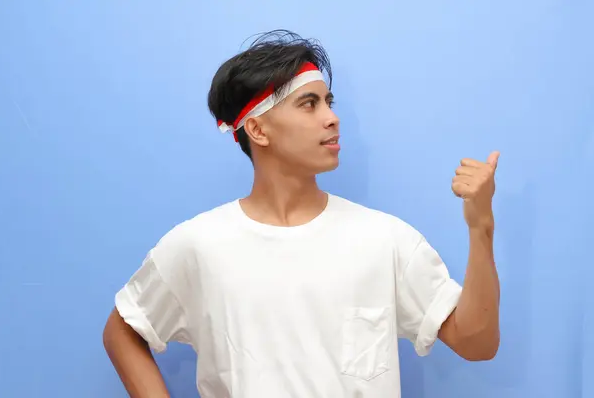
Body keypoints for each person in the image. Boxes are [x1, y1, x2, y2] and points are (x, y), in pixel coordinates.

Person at [102, 30, 500, 398]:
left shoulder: (384, 239)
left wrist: (481, 226)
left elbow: (477, 343)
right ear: (258, 130)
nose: (331, 117)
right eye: (308, 104)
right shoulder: (200, 245)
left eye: (328, 102)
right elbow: (122, 331)